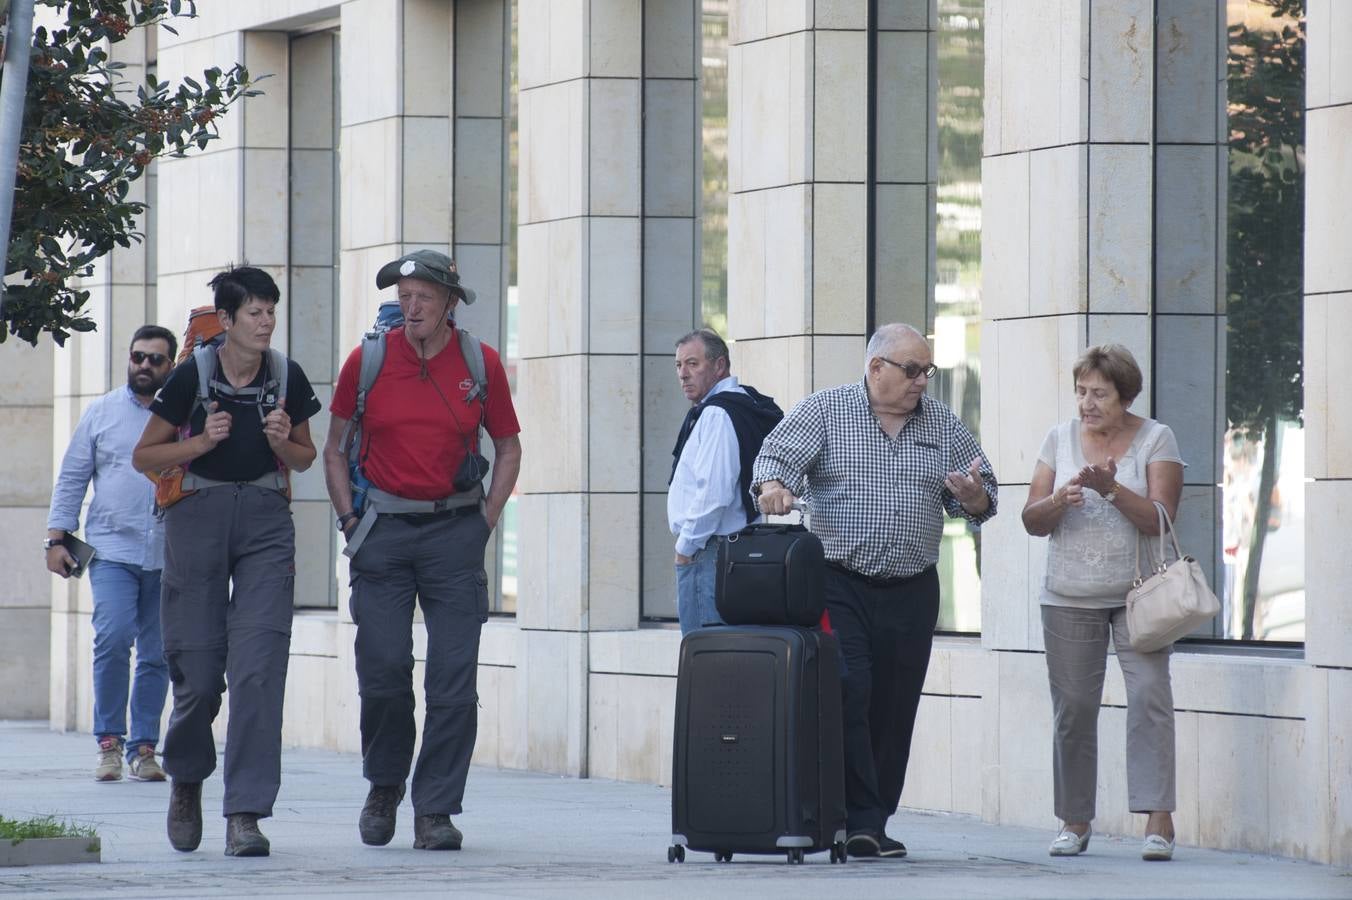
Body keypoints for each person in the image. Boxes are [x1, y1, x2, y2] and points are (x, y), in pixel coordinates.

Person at [753, 323, 997, 859]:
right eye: (911, 370)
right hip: (841, 582)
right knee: (850, 688)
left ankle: (874, 822)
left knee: (894, 705)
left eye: (927, 371)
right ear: (876, 367)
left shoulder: (941, 422)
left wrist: (975, 497)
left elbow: (984, 497)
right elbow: (774, 458)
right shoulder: (826, 410)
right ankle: (851, 815)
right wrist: (773, 487)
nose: (921, 382)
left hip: (912, 588)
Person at [322, 250, 522, 851]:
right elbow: (333, 447)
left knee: (453, 681)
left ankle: (435, 808)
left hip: (455, 531)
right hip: (382, 531)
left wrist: (486, 520)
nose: (410, 308)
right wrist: (349, 517)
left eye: (423, 299)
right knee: (383, 669)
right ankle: (384, 786)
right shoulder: (369, 359)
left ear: (449, 304)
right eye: (403, 296)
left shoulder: (480, 363)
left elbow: (509, 447)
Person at [133, 265, 321, 857]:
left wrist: (280, 440)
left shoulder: (288, 375)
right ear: (229, 319)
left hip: (266, 523)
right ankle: (186, 780)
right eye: (255, 313)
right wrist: (200, 442)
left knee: (260, 669)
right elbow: (146, 456)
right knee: (198, 669)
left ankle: (245, 813)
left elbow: (307, 457)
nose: (266, 322)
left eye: (271, 311)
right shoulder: (191, 376)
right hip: (197, 521)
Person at [1020, 344, 1184, 862]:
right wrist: (1057, 501)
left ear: (1124, 395)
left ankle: (1159, 820)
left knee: (1151, 698)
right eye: (1082, 392)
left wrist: (1112, 489)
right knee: (1074, 710)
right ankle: (1074, 820)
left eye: (1099, 394)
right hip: (1068, 596)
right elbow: (1031, 519)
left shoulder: (1157, 438)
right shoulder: (1058, 438)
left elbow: (1162, 518)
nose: (1087, 403)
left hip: (1140, 596)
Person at [46, 325, 178, 783]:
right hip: (113, 550)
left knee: (158, 653)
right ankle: (108, 743)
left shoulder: (183, 416)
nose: (144, 366)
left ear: (171, 365)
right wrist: (56, 538)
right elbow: (73, 476)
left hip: (167, 555)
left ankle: (144, 748)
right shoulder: (102, 412)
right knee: (113, 638)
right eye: (138, 357)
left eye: (155, 359)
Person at [668, 328, 783, 634]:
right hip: (731, 553)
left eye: (693, 364)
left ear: (719, 366)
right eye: (679, 365)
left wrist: (685, 548)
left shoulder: (718, 414)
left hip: (710, 554)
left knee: (706, 661)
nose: (683, 374)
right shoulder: (740, 404)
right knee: (723, 657)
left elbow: (714, 493)